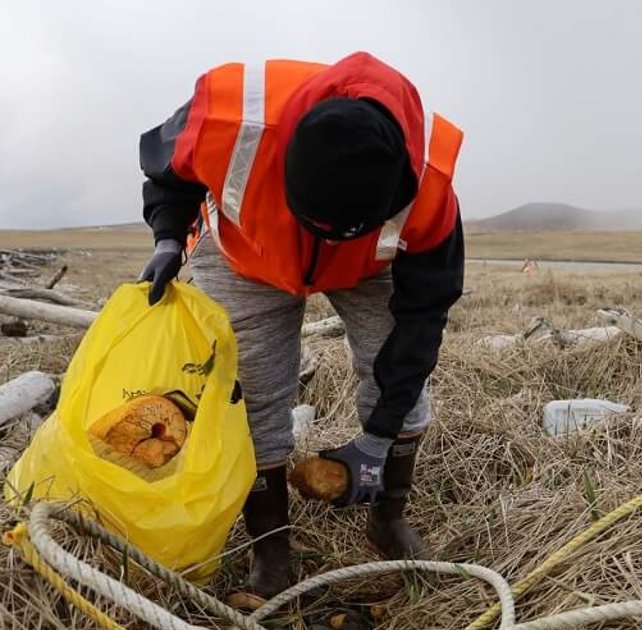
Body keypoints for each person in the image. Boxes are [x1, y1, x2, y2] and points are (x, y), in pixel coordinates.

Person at [138, 52, 464, 597]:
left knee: (399, 381)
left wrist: (380, 436)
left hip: (371, 265)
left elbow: (421, 326)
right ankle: (273, 553)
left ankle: (388, 519)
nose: (324, 234)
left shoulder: (431, 186)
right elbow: (165, 171)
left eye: (340, 227)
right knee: (251, 393)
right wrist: (169, 234)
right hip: (247, 249)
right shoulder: (229, 112)